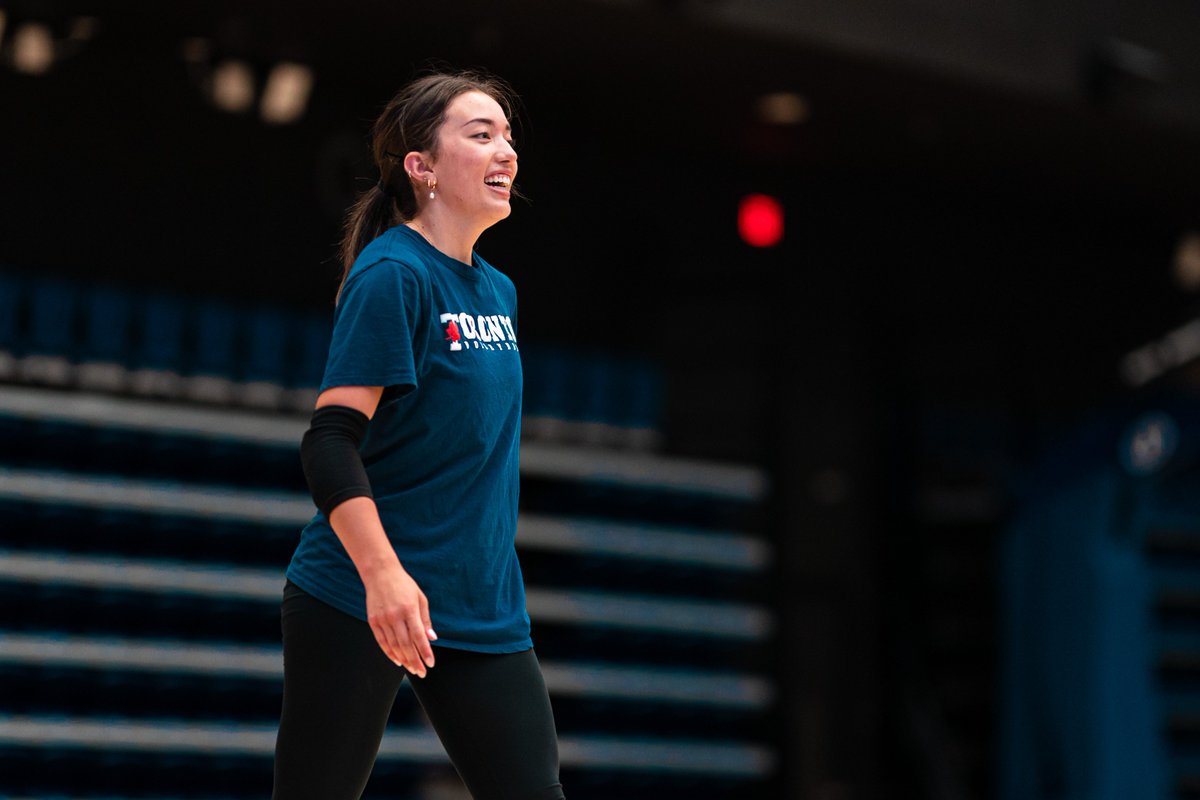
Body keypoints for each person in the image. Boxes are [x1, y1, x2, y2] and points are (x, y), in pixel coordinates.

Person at [272, 70, 565, 800]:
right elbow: (329, 442)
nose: (507, 152)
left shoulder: (499, 291)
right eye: (481, 135)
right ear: (421, 166)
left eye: (508, 136)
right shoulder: (393, 274)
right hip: (361, 594)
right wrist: (384, 578)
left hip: (479, 602)